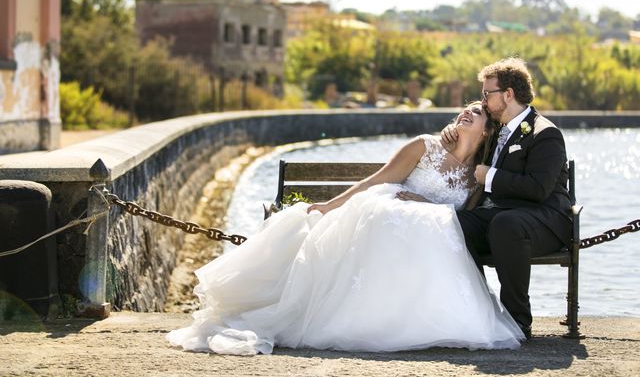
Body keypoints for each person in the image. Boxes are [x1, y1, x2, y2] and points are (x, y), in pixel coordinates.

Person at [166, 102, 525, 355]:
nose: (466, 112)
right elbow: (378, 180)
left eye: (476, 112)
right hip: (389, 209)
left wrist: (428, 206)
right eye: (466, 108)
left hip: (428, 228)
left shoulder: (476, 177)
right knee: (391, 218)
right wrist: (329, 205)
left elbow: (463, 218)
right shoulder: (425, 146)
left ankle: (419, 318)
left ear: (487, 129)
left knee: (436, 225)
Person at [443, 58, 572, 340]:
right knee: (454, 224)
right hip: (503, 215)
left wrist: (490, 176)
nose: (484, 101)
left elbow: (538, 189)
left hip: (545, 220)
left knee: (506, 224)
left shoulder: (545, 133)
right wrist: (450, 135)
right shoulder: (498, 129)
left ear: (508, 94)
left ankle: (517, 321)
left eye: (487, 94)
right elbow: (469, 146)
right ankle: (475, 310)